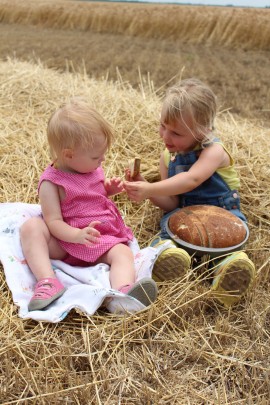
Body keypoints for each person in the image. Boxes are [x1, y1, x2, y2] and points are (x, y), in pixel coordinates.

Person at [124, 78, 255, 307]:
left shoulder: (214, 151)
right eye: (163, 126)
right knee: (166, 238)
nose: (165, 136)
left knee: (222, 248)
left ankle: (228, 269)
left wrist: (150, 188)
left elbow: (191, 179)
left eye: (176, 132)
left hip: (223, 219)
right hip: (185, 220)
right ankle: (171, 260)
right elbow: (172, 202)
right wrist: (145, 188)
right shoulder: (167, 158)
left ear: (203, 130)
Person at [20, 99, 158, 311]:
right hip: (66, 243)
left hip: (98, 239)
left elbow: (92, 195)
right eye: (96, 156)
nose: (102, 159)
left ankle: (122, 293)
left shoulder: (90, 168)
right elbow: (54, 221)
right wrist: (76, 235)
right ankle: (47, 281)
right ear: (68, 154)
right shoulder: (51, 183)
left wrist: (108, 189)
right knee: (31, 227)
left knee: (122, 253)